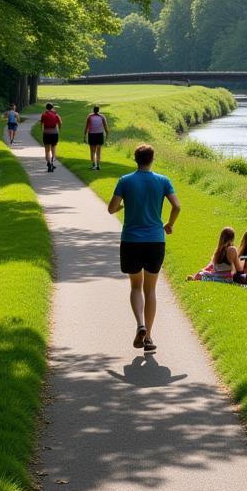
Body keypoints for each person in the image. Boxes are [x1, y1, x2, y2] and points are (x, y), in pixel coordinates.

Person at [108, 144, 180, 354]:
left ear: (135, 159)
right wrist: (170, 224)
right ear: (152, 159)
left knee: (135, 287)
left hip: (131, 240)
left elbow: (111, 208)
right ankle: (148, 336)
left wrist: (124, 205)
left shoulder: (125, 181)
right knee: (150, 289)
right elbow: (177, 206)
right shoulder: (163, 180)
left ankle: (139, 324)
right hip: (155, 240)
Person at [83, 104, 109, 170]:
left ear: (93, 110)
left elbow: (86, 127)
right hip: (100, 134)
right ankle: (98, 165)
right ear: (99, 110)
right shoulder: (102, 116)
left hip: (91, 134)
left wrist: (84, 136)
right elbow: (105, 126)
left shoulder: (90, 116)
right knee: (98, 150)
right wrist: (107, 134)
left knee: (92, 150)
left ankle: (93, 164)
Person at [39, 102, 62, 171]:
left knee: (47, 150)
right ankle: (52, 162)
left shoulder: (44, 115)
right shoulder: (56, 115)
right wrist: (59, 129)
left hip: (46, 133)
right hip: (54, 133)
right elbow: (60, 122)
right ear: (52, 108)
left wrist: (43, 132)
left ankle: (48, 163)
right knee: (53, 149)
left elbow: (42, 125)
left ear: (46, 108)